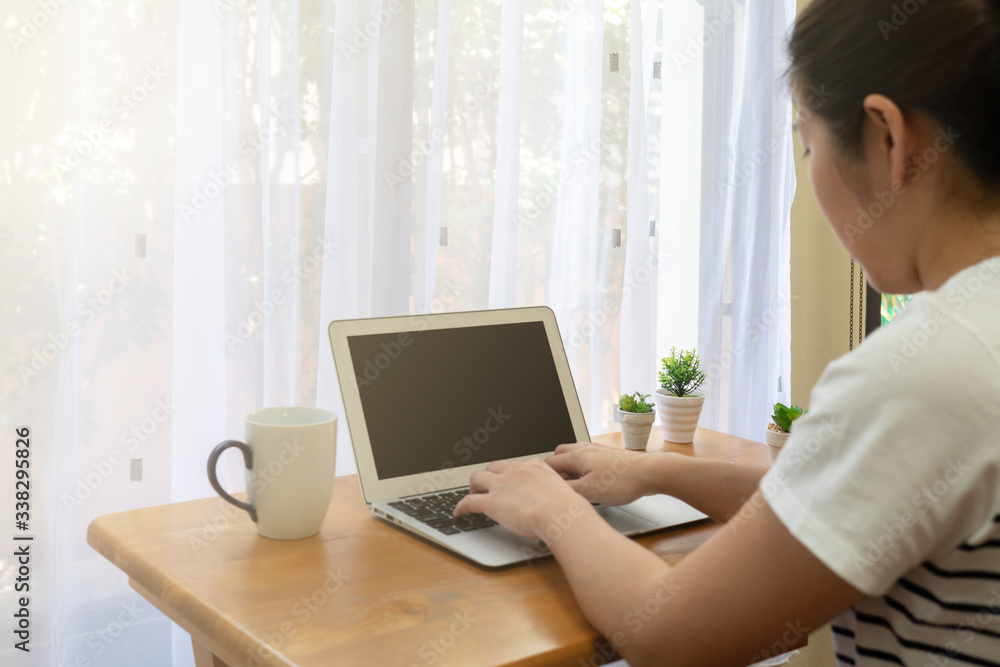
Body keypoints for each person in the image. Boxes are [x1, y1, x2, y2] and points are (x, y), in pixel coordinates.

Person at [454, 0, 1000, 664]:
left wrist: (552, 510)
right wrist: (650, 470)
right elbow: (844, 495)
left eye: (809, 145)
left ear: (888, 136)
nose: (813, 175)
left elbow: (668, 635)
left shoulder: (927, 372)